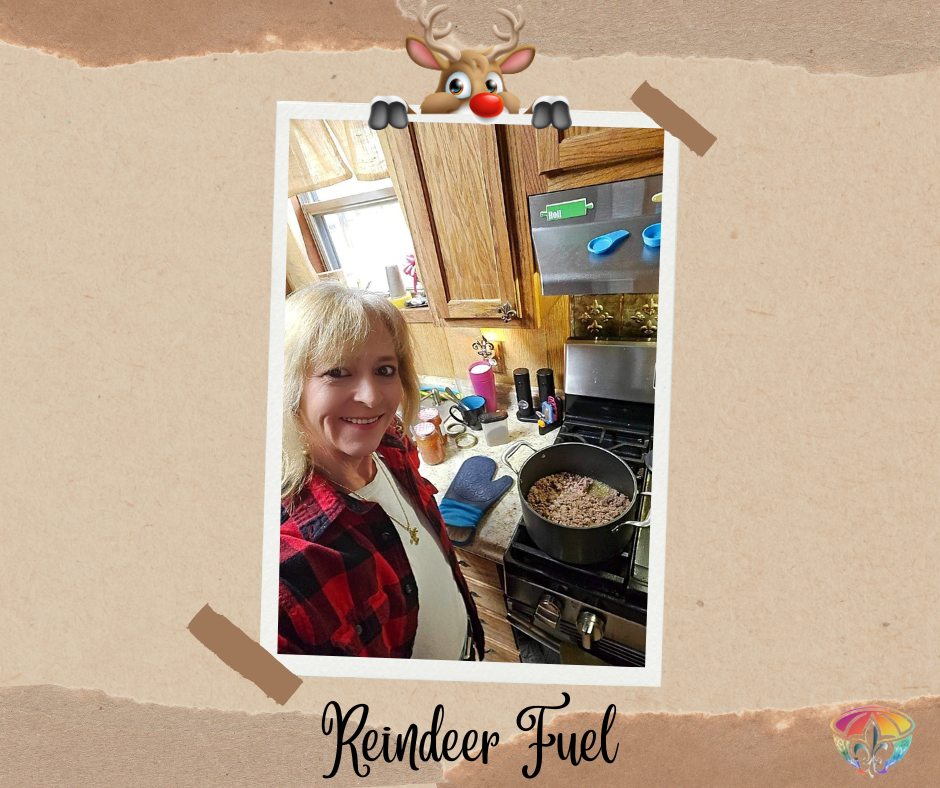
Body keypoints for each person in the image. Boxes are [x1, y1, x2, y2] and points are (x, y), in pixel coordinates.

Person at [278, 280, 485, 660]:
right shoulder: (291, 559)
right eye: (337, 372)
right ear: (290, 387)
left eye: (385, 369)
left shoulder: (392, 445)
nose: (372, 397)